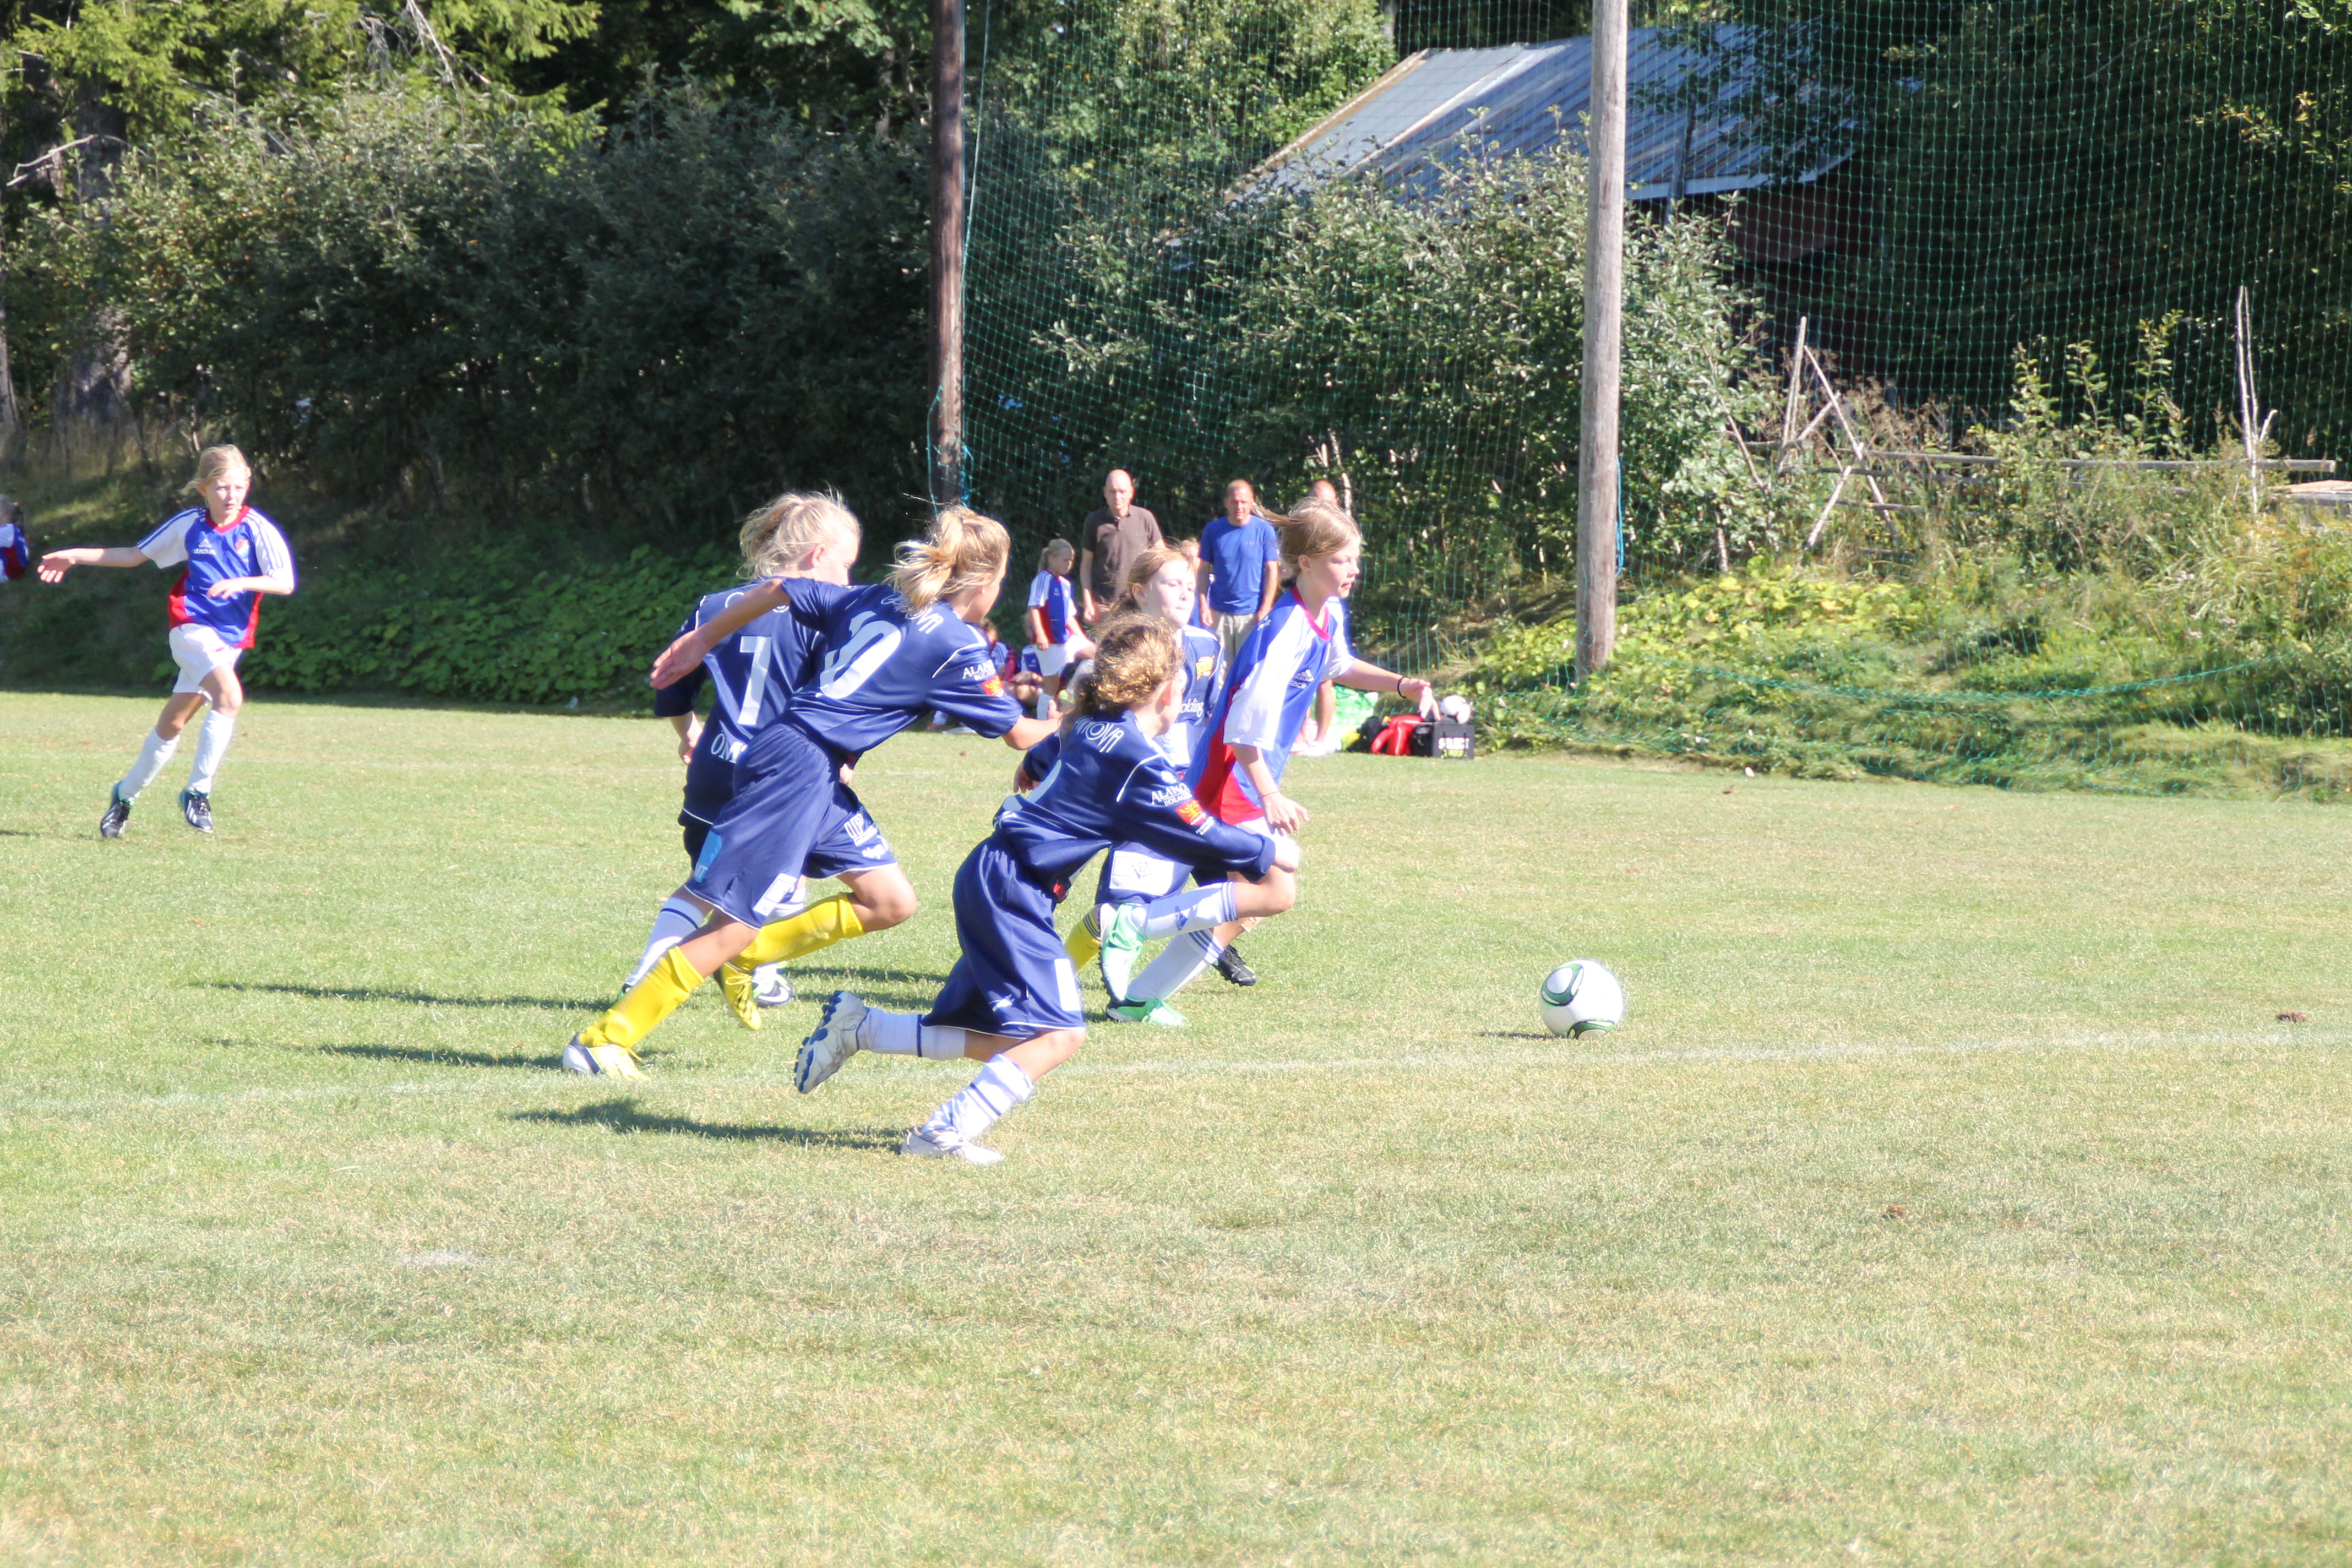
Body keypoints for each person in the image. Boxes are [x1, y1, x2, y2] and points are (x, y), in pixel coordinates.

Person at [561, 507, 1060, 1079]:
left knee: (889, 901)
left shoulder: (875, 598)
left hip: (808, 763)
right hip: (797, 768)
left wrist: (702, 639)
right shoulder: (956, 644)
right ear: (986, 581)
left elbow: (778, 588)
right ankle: (604, 1039)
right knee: (733, 921)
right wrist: (1089, 719)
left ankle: (747, 959)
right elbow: (1021, 734)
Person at [790, 614, 1302, 1164]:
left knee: (1003, 1035)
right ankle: (941, 1132)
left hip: (998, 877)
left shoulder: (1090, 726)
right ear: (1167, 690)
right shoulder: (1138, 760)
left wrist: (1036, 771)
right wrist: (1271, 852)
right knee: (1061, 1034)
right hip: (1012, 889)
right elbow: (1198, 830)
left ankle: (862, 1028)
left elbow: (1045, 759)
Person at [1114, 497, 1431, 1015]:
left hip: (1248, 778)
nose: (1353, 569)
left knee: (1248, 905)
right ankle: (1134, 926)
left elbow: (1340, 665)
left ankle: (1139, 998)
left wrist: (1403, 684)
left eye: (1355, 559)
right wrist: (1270, 794)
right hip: (1232, 778)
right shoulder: (1285, 630)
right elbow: (1240, 728)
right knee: (1276, 891)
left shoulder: (1326, 613)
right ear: (1305, 563)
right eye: (1341, 559)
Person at [622, 492, 862, 1030]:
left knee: (705, 882)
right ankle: (759, 970)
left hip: (715, 765)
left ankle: (652, 978)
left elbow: (672, 687)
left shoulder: (714, 606)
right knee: (789, 873)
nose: (848, 580)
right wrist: (846, 758)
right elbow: (840, 699)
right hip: (781, 774)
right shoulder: (828, 617)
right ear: (818, 554)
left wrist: (688, 734)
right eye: (846, 564)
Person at [37, 445, 295, 837]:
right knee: (230, 698)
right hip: (190, 628)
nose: (231, 496)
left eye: (239, 487)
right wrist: (75, 556)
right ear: (203, 489)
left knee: (173, 723)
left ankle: (124, 796)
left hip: (229, 640)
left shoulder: (258, 528)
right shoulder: (189, 524)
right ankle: (198, 792)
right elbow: (133, 555)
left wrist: (241, 582)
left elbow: (284, 582)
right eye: (222, 488)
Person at [1044, 545, 1227, 1021]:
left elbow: (1210, 716)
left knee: (1134, 902)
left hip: (1173, 786)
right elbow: (1082, 721)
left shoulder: (1207, 647)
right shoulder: (1119, 650)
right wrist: (1043, 757)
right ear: (1141, 593)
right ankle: (1066, 983)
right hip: (1114, 788)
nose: (1185, 593)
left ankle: (1073, 983)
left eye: (1190, 585)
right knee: (1067, 887)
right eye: (1172, 584)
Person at [1195, 478, 1281, 667]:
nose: (1239, 507)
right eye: (1235, 502)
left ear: (1252, 502)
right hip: (1218, 613)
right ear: (1226, 502)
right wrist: (1203, 605)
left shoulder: (1264, 531)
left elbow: (1272, 570)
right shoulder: (1213, 530)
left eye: (1244, 502)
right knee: (1218, 669)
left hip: (1251, 614)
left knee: (1246, 669)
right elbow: (1203, 570)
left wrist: (1266, 608)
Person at [1078, 468, 1162, 625]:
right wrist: (1088, 602)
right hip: (1104, 606)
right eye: (1112, 492)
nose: (1117, 497)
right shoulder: (1094, 521)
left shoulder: (1145, 518)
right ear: (1105, 492)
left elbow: (1162, 557)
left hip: (1139, 604)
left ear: (1131, 492)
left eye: (1122, 492)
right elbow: (1086, 564)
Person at [1024, 538, 1093, 717]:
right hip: (1049, 642)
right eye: (1065, 560)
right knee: (1051, 687)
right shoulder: (1043, 579)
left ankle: (1072, 693)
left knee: (1097, 655)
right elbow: (1034, 607)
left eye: (1071, 560)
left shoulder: (1066, 584)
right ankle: (1043, 721)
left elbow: (1069, 617)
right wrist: (1040, 634)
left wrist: (1083, 639)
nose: (1069, 564)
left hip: (1066, 639)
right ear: (1052, 558)